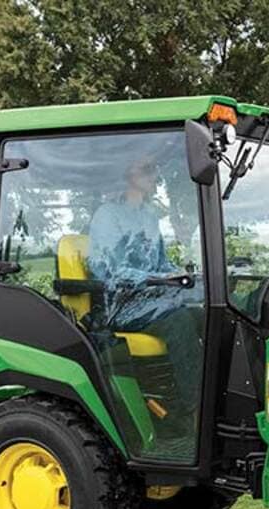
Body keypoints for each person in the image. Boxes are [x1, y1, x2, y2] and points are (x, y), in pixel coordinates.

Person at [86, 153, 203, 428]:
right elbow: (108, 271)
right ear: (128, 173)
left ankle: (215, 401)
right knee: (180, 322)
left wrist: (181, 275)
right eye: (148, 169)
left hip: (154, 298)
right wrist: (161, 279)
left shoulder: (149, 216)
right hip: (123, 303)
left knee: (210, 314)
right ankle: (197, 414)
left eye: (156, 169)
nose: (155, 176)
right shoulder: (107, 216)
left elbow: (162, 261)